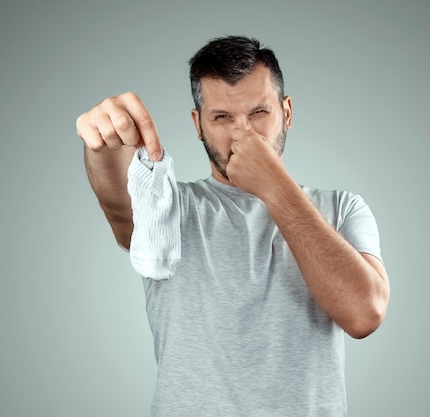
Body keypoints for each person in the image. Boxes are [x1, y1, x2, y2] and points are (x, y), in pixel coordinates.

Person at [76, 36, 390, 416]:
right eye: (222, 117)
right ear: (198, 124)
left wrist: (273, 187)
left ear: (286, 112)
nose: (245, 132)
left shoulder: (342, 208)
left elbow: (364, 313)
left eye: (259, 112)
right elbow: (120, 210)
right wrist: (103, 141)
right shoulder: (171, 208)